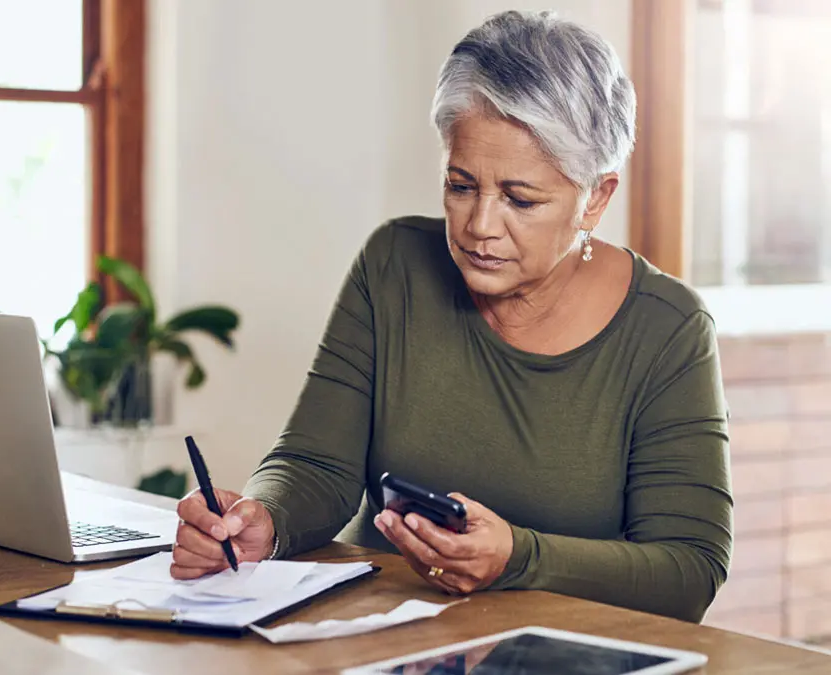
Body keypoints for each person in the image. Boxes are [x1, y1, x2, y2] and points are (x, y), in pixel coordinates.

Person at [168, 10, 732, 624]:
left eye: (520, 199)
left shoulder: (669, 328)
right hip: (375, 638)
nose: (480, 227)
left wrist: (519, 556)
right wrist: (265, 521)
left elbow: (689, 569)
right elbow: (316, 464)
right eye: (461, 186)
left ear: (595, 197)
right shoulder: (395, 264)